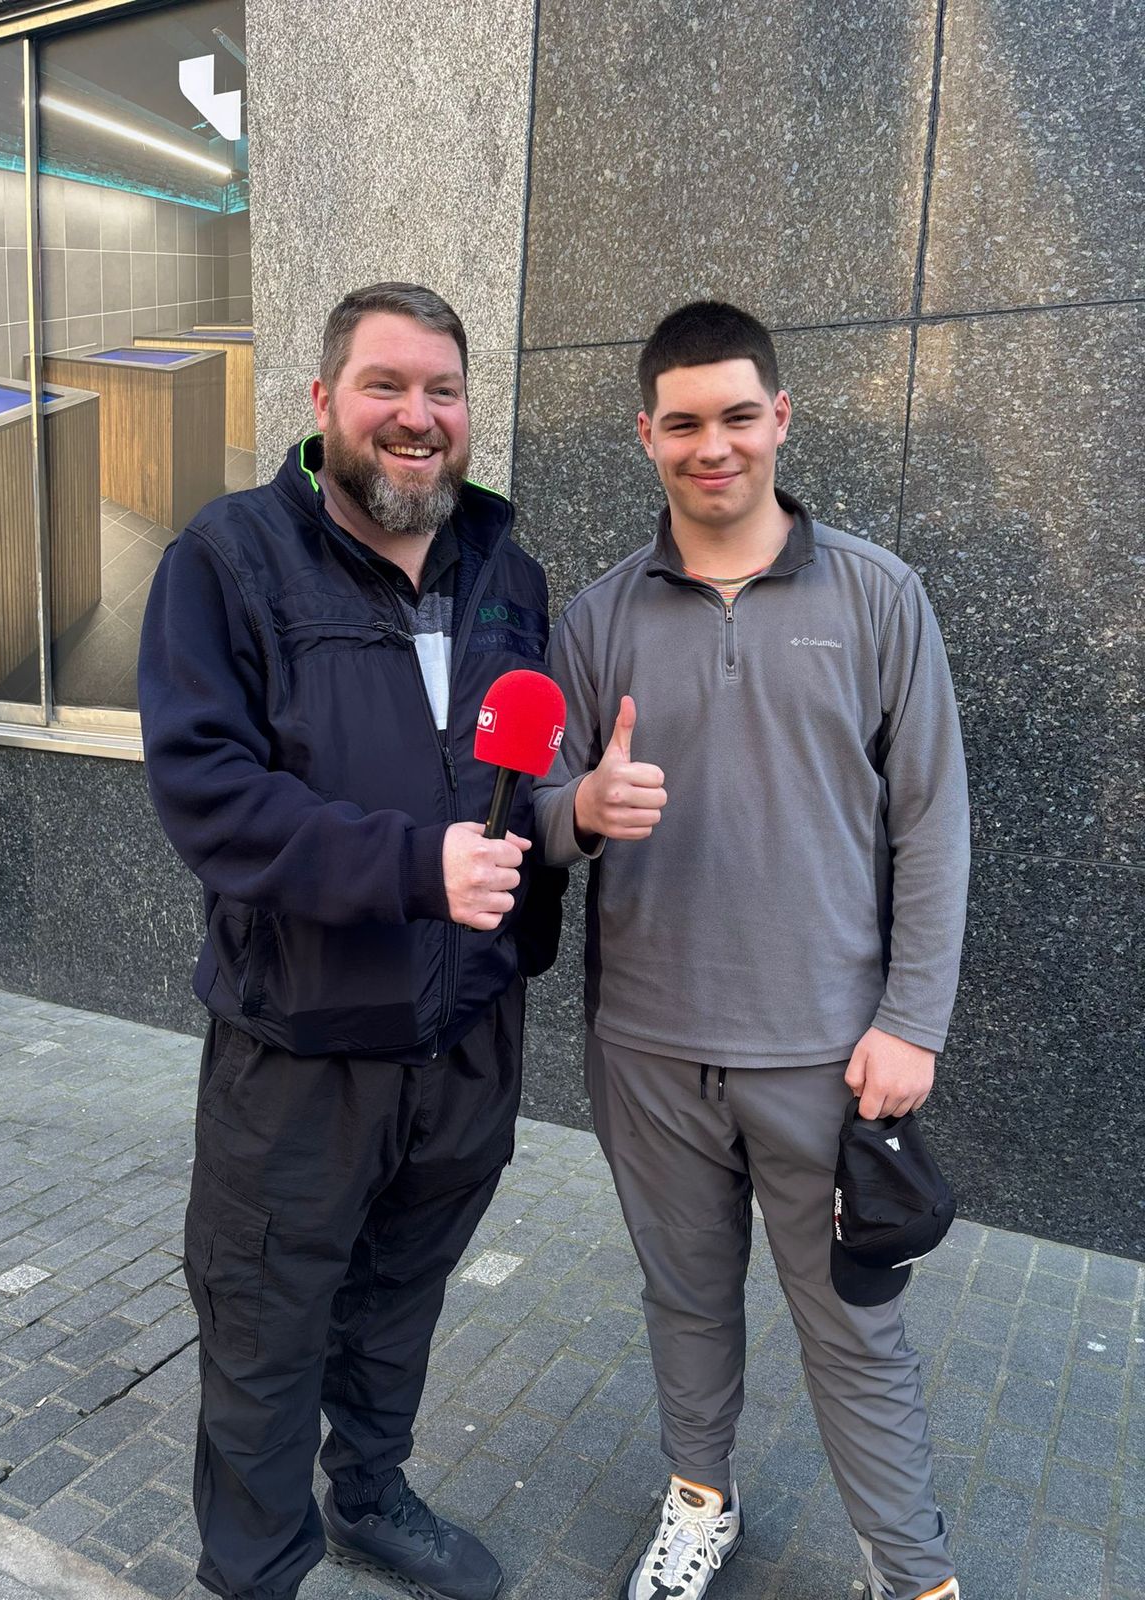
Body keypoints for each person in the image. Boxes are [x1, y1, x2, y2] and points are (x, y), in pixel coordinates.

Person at [534, 300, 969, 1600]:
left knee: (854, 1329)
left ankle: (912, 1572)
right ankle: (700, 1500)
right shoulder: (600, 615)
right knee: (685, 1301)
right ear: (646, 435)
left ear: (779, 418)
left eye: (737, 415)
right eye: (683, 422)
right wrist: (580, 815)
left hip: (826, 1060)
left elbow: (934, 824)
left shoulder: (878, 596)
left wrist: (915, 1020)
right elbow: (535, 810)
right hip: (650, 1054)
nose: (711, 445)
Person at [139, 282, 563, 1600]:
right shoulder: (230, 561)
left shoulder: (509, 572)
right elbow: (210, 795)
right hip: (301, 1061)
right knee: (266, 1338)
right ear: (322, 404)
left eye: (443, 390)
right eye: (386, 386)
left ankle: (369, 1496)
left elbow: (519, 786)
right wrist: (408, 867)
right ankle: (257, 1572)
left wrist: (573, 825)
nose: (417, 416)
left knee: (398, 1310)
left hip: (464, 1048)